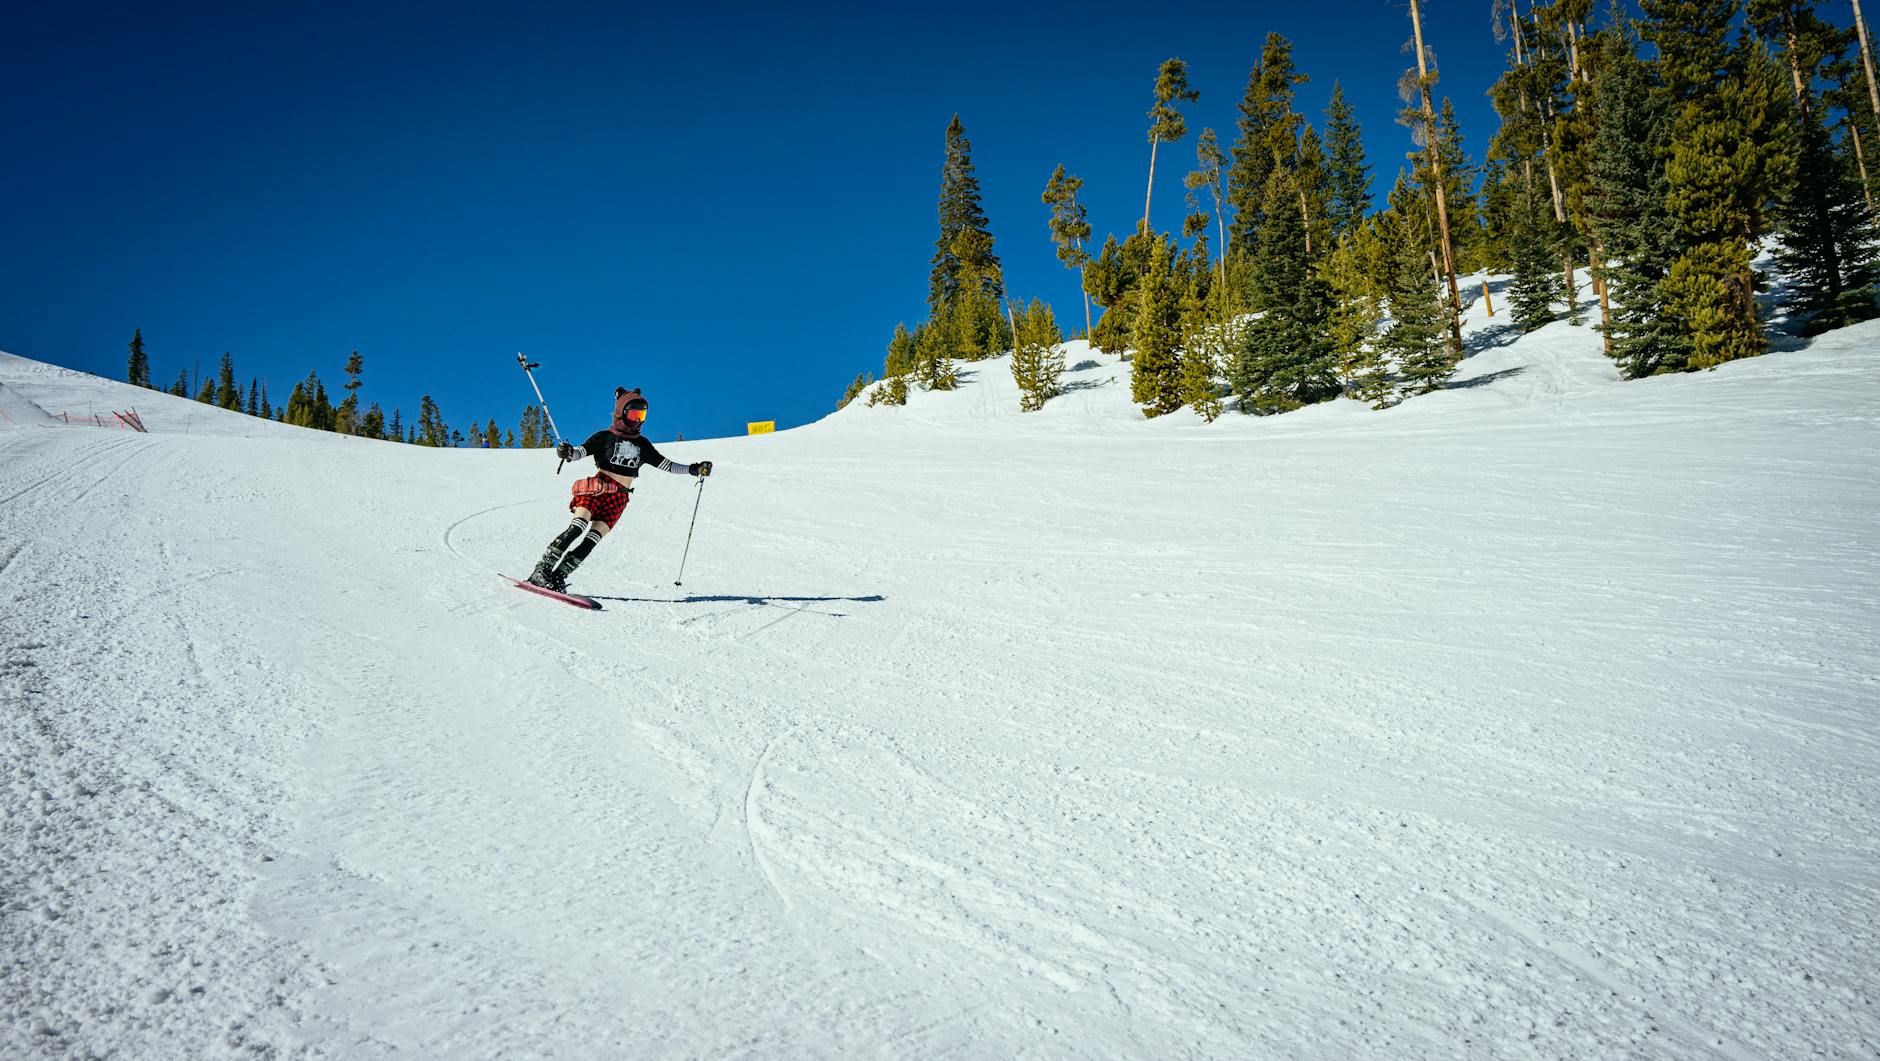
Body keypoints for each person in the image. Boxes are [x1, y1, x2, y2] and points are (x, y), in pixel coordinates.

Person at [526, 387, 712, 592]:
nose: (638, 419)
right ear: (622, 412)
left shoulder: (642, 444)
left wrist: (693, 469)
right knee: (577, 527)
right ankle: (541, 571)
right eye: (634, 414)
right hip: (596, 490)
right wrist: (567, 452)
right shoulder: (604, 437)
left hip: (619, 499)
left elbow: (666, 465)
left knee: (591, 541)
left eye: (642, 415)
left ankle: (559, 576)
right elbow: (580, 452)